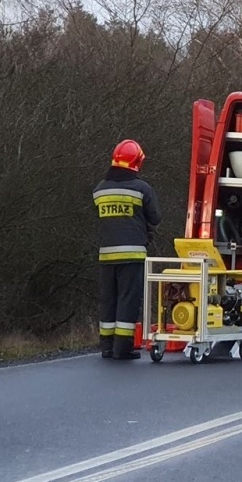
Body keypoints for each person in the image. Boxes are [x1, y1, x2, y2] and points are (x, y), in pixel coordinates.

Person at [93, 139, 160, 360]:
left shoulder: (99, 190)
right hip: (132, 254)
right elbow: (155, 218)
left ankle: (106, 347)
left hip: (106, 255)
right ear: (137, 162)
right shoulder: (142, 188)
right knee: (127, 300)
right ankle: (123, 349)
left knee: (108, 300)